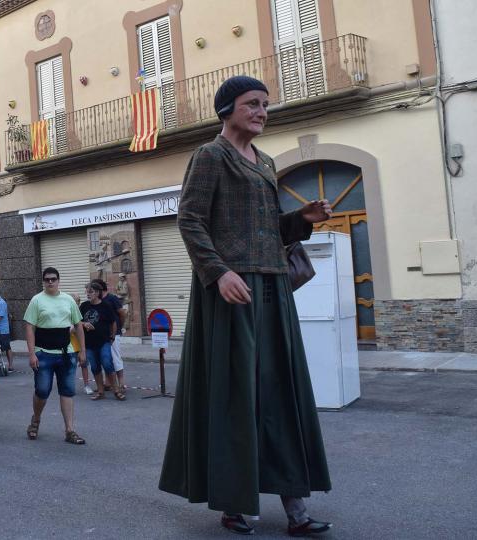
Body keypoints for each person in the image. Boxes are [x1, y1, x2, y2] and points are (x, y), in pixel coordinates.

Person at [158, 76, 334, 537]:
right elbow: (190, 220)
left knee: (282, 394)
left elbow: (263, 227)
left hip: (274, 290)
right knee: (241, 397)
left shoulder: (267, 161)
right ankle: (238, 505)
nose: (261, 111)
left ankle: (295, 507)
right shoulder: (210, 155)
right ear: (227, 109)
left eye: (265, 105)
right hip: (232, 293)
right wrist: (219, 272)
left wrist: (300, 220)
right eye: (251, 104)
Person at [23, 267, 88, 445]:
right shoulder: (37, 300)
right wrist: (32, 354)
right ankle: (35, 420)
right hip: (43, 354)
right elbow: (29, 327)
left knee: (67, 391)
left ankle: (69, 430)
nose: (50, 282)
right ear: (43, 281)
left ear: (59, 281)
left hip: (66, 354)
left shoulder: (68, 300)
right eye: (47, 279)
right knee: (42, 391)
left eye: (53, 279)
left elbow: (78, 324)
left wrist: (82, 350)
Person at [80, 282, 122, 401]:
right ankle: (100, 391)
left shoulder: (106, 305)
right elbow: (77, 322)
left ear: (97, 293)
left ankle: (116, 390)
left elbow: (113, 322)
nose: (88, 294)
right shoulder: (84, 306)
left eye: (91, 292)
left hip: (104, 341)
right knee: (94, 367)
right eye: (87, 292)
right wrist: (84, 323)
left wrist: (113, 336)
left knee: (107, 363)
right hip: (89, 343)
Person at [91, 278, 127, 392]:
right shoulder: (98, 300)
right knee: (105, 359)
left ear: (100, 289)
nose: (93, 292)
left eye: (94, 289)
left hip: (113, 333)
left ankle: (121, 384)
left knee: (116, 358)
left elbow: (122, 313)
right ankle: (108, 383)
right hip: (102, 335)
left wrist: (119, 325)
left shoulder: (112, 298)